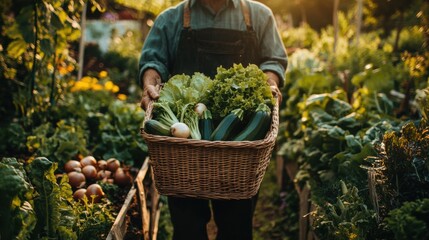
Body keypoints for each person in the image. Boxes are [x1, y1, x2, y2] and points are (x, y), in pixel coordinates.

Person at [138, 0, 287, 239]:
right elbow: (153, 63)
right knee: (187, 227)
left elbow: (273, 61)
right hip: (184, 147)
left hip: (239, 147)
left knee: (236, 226)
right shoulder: (171, 19)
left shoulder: (259, 16)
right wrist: (150, 83)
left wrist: (269, 83)